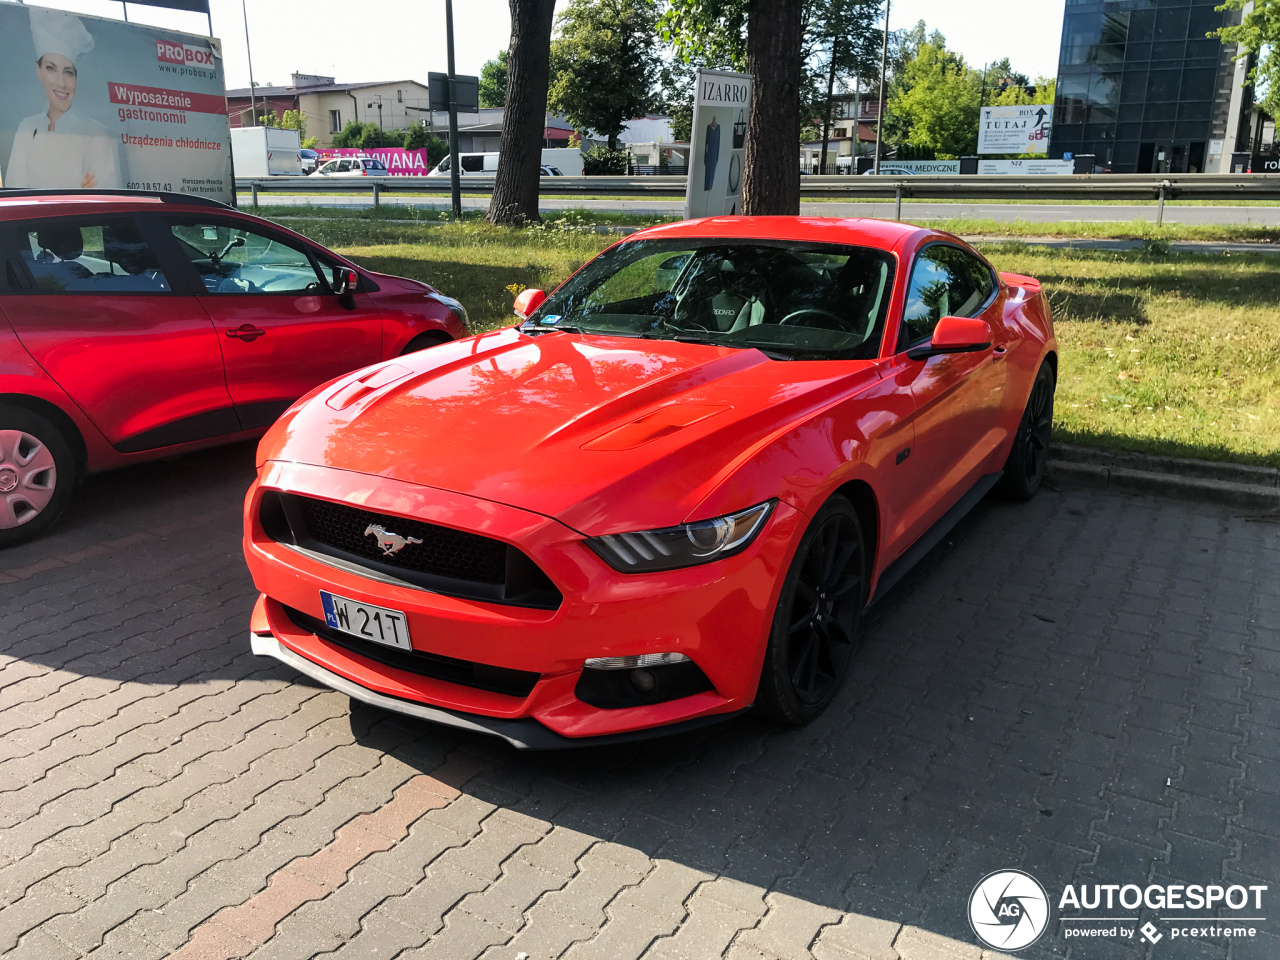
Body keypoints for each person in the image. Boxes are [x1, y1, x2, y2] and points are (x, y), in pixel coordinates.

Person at [5, 9, 121, 190]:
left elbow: (106, 198)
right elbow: (15, 192)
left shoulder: (95, 133)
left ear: (76, 76)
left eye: (68, 72)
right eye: (51, 68)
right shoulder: (27, 128)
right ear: (39, 71)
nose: (61, 83)